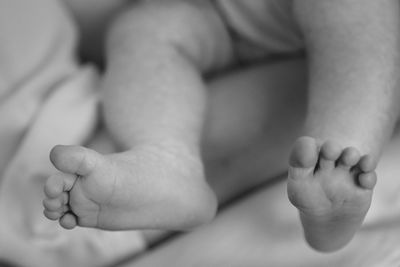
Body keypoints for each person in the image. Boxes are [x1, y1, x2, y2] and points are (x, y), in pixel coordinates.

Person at [43, 0, 400, 252]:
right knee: (142, 28)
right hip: (212, 18)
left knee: (358, 10)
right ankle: (168, 161)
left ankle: (340, 163)